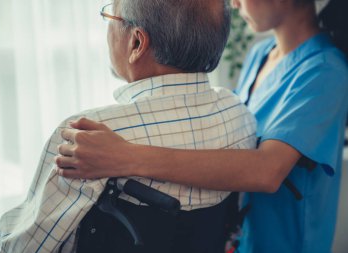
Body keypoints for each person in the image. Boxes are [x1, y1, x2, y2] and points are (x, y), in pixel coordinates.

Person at [56, 0, 348, 252]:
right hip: (237, 237)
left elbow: (267, 171)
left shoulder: (325, 71)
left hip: (283, 243)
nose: (233, 4)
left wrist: (124, 156)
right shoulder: (261, 55)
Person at [0, 0, 257, 252]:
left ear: (136, 43)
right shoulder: (239, 115)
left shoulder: (90, 136)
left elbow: (19, 247)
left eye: (111, 17)